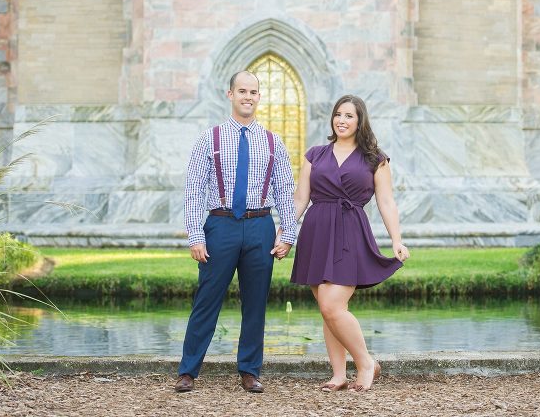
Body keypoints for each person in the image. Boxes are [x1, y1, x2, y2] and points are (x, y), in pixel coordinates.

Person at [175, 71, 297, 394]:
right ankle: (188, 371)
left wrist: (287, 234)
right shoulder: (209, 139)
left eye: (253, 92)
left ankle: (249, 370)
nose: (247, 96)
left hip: (260, 225)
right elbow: (194, 190)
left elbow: (285, 189)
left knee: (256, 303)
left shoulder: (273, 142)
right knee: (207, 299)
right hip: (220, 225)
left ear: (259, 97)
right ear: (229, 94)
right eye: (241, 91)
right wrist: (195, 235)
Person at [284, 94, 410, 392]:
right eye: (338, 114)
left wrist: (396, 240)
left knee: (332, 305)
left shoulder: (375, 159)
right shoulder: (315, 154)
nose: (341, 120)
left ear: (359, 121)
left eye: (349, 115)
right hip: (316, 231)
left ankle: (366, 363)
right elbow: (300, 199)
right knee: (327, 309)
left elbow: (387, 202)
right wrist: (285, 233)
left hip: (349, 231)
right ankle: (339, 374)